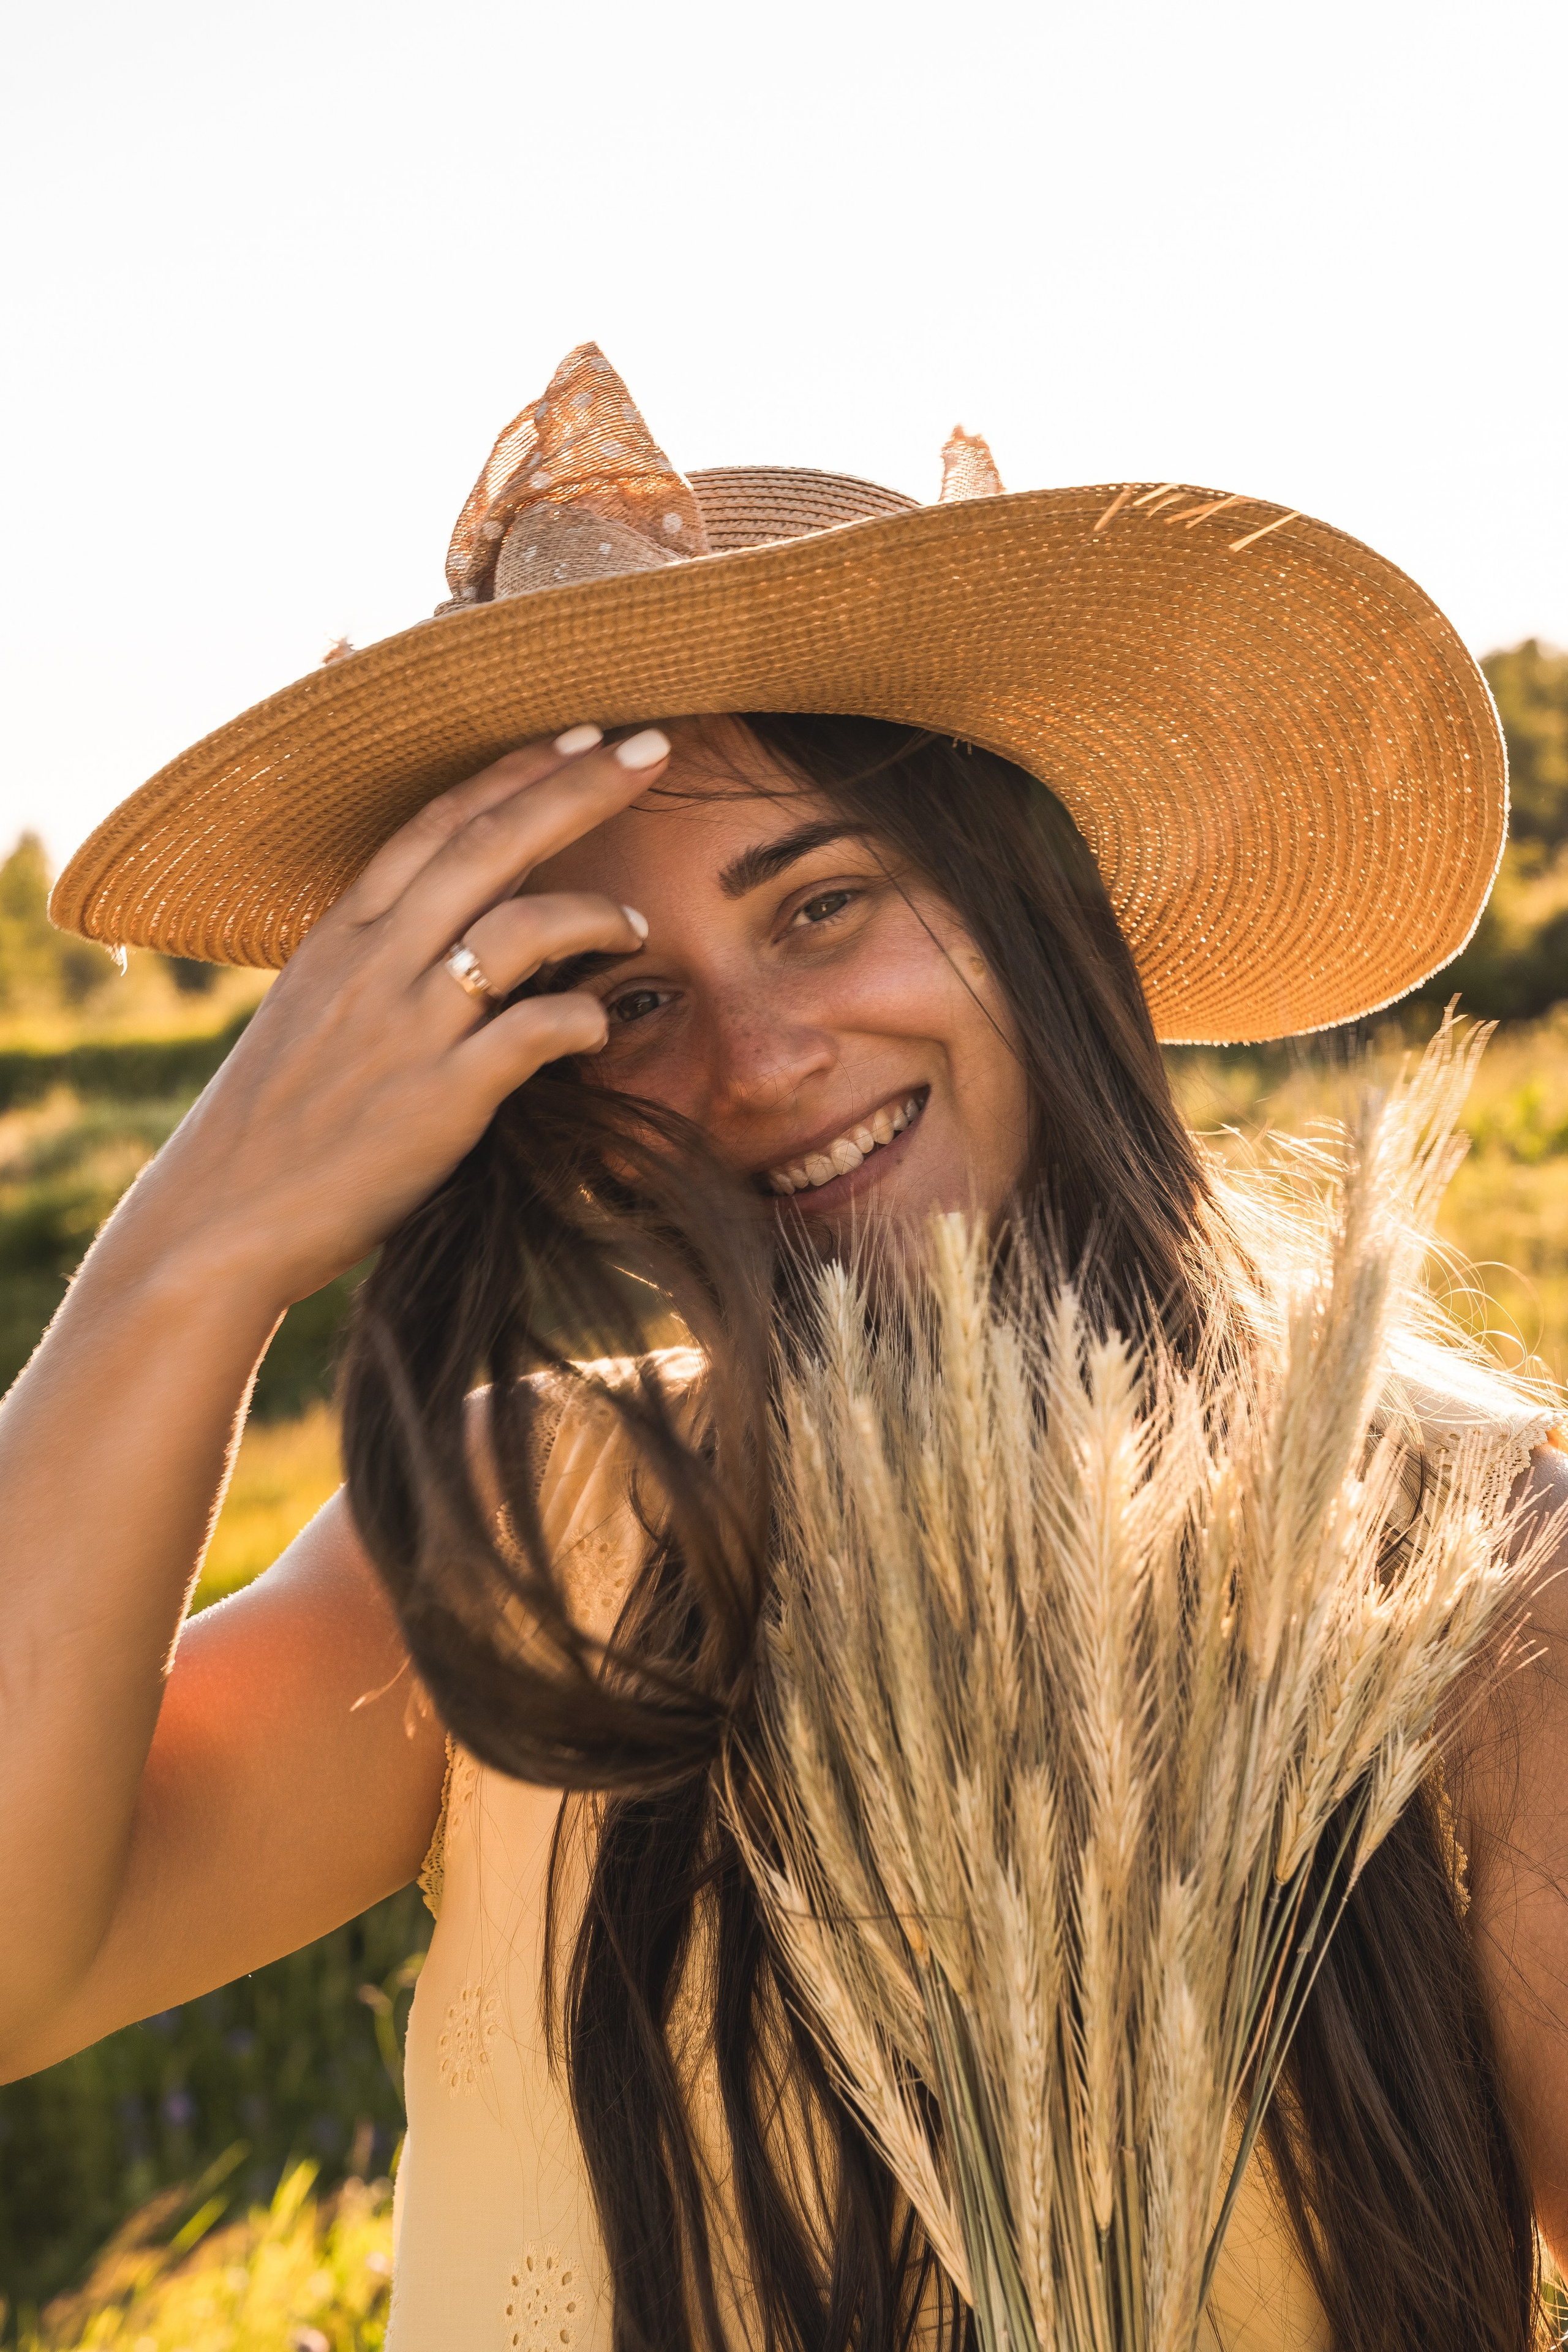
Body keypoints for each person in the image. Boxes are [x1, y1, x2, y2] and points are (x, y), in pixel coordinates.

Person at [3, 344, 1566, 2352]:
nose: (753, 1062)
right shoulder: (521, 1536)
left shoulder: (1461, 1575)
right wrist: (200, 1245)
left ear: (1038, 909)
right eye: (630, 997)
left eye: (821, 905)